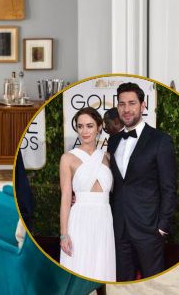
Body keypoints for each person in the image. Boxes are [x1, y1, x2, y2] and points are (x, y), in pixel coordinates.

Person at [107, 82, 177, 281]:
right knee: (122, 283)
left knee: (153, 284)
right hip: (119, 226)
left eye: (132, 103)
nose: (126, 109)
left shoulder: (160, 140)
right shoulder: (113, 140)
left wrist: (162, 226)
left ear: (143, 105)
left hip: (149, 228)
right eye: (122, 104)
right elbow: (113, 183)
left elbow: (169, 187)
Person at [59, 107, 115, 282]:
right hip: (79, 219)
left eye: (89, 126)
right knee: (78, 266)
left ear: (99, 127)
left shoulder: (108, 157)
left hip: (104, 219)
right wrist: (63, 234)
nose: (84, 131)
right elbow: (66, 197)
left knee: (101, 268)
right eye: (80, 126)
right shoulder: (68, 158)